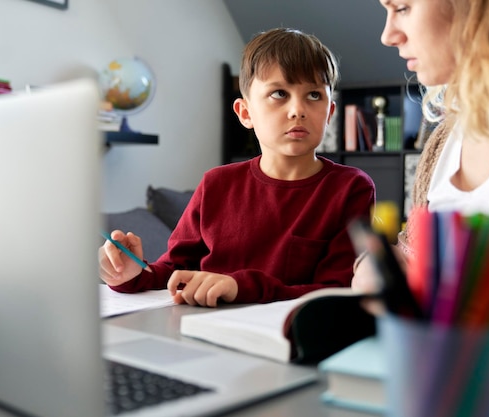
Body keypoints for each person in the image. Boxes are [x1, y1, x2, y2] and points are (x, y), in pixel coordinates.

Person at [99, 27, 375, 307]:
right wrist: (133, 274)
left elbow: (336, 292)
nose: (297, 110)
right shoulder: (216, 184)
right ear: (245, 113)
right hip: (201, 331)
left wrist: (240, 287)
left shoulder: (351, 188)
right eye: (279, 93)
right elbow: (174, 271)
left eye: (314, 95)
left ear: (329, 113)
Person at [352, 0, 489, 356]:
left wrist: (451, 305)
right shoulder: (443, 139)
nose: (387, 35)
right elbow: (413, 253)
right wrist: (380, 269)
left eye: (403, 7)